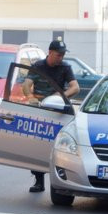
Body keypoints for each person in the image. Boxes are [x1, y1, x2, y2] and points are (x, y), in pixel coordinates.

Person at [21, 39, 80, 192]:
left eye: (63, 55)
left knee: (59, 146)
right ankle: (39, 181)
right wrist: (30, 97)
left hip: (58, 109)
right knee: (38, 146)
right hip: (41, 109)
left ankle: (59, 181)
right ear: (50, 53)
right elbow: (26, 85)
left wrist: (61, 96)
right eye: (59, 54)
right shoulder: (38, 66)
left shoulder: (65, 67)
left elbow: (75, 87)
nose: (61, 57)